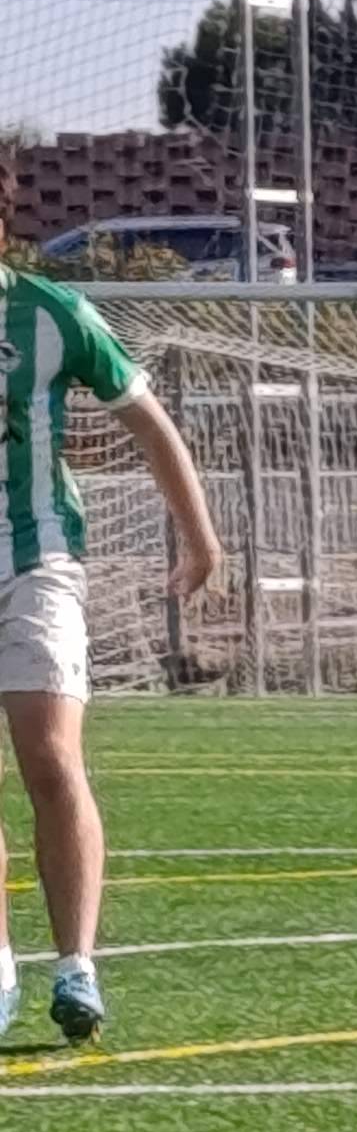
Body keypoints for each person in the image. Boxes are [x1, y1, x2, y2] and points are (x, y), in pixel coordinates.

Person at [3, 266, 223, 1050]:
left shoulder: (50, 311)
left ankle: (76, 966)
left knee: (52, 758)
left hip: (37, 561)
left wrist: (200, 537)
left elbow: (149, 421)